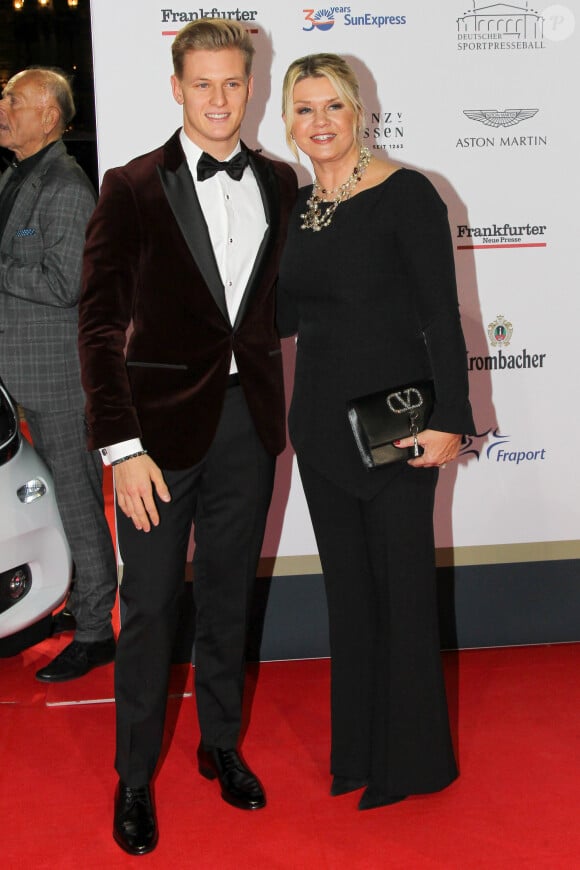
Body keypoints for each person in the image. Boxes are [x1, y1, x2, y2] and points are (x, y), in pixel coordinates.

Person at [78, 19, 297, 856]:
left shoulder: (279, 183)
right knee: (153, 606)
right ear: (176, 87)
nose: (218, 99)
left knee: (231, 598)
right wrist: (121, 449)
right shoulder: (132, 186)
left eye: (233, 84)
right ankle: (134, 777)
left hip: (250, 427)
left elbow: (289, 306)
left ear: (252, 87)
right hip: (157, 443)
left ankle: (220, 744)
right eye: (201, 84)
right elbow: (98, 327)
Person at [277, 54, 475, 811]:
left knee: (401, 591)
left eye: (332, 106)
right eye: (303, 109)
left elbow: (440, 313)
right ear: (288, 122)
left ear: (360, 112)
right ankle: (356, 752)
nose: (318, 122)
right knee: (349, 596)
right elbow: (286, 317)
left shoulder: (406, 193)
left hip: (399, 428)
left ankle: (416, 763)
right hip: (321, 431)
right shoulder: (299, 206)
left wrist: (452, 418)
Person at [0, 68, 117, 681]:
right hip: (15, 378)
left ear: (49, 114)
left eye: (13, 98)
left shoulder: (66, 186)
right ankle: (55, 600)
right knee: (34, 503)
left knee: (75, 499)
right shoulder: (18, 177)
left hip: (54, 379)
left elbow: (62, 283)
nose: (2, 106)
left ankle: (97, 629)